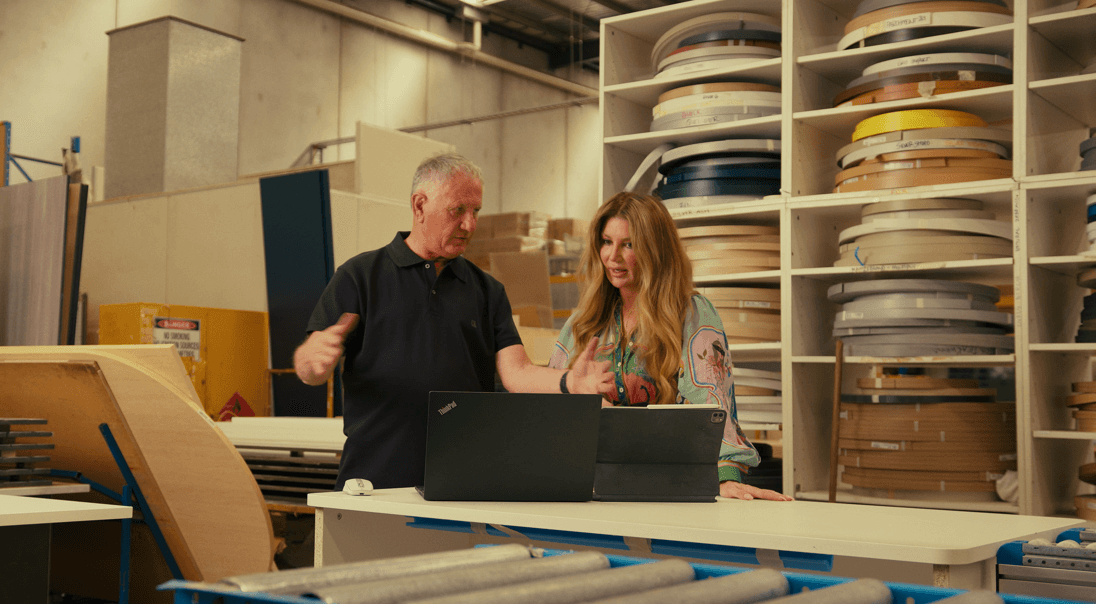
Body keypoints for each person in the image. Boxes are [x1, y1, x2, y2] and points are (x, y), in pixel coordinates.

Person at [294, 153, 615, 490]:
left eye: (475, 211)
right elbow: (309, 368)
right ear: (419, 206)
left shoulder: (487, 291)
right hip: (373, 483)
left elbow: (516, 374)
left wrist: (569, 384)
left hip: (460, 485)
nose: (470, 225)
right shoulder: (360, 277)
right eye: (457, 210)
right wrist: (310, 361)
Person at [549, 191, 791, 501]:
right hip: (588, 489)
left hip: (669, 489)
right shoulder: (583, 322)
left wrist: (724, 479)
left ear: (655, 249)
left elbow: (713, 407)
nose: (613, 257)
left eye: (629, 244)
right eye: (606, 242)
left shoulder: (692, 314)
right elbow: (551, 407)